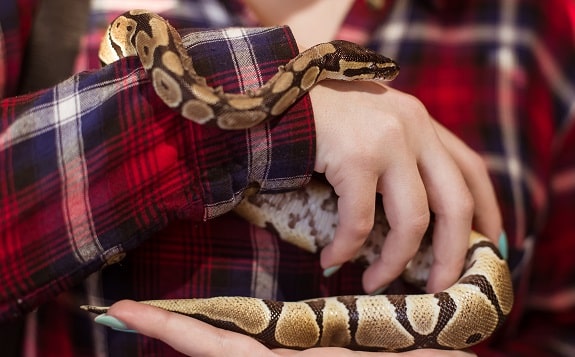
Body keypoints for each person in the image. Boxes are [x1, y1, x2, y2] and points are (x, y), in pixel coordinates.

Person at [0, 0, 573, 356]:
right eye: (371, 73)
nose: (382, 80)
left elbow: (555, 333)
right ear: (337, 68)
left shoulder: (527, 25)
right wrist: (285, 117)